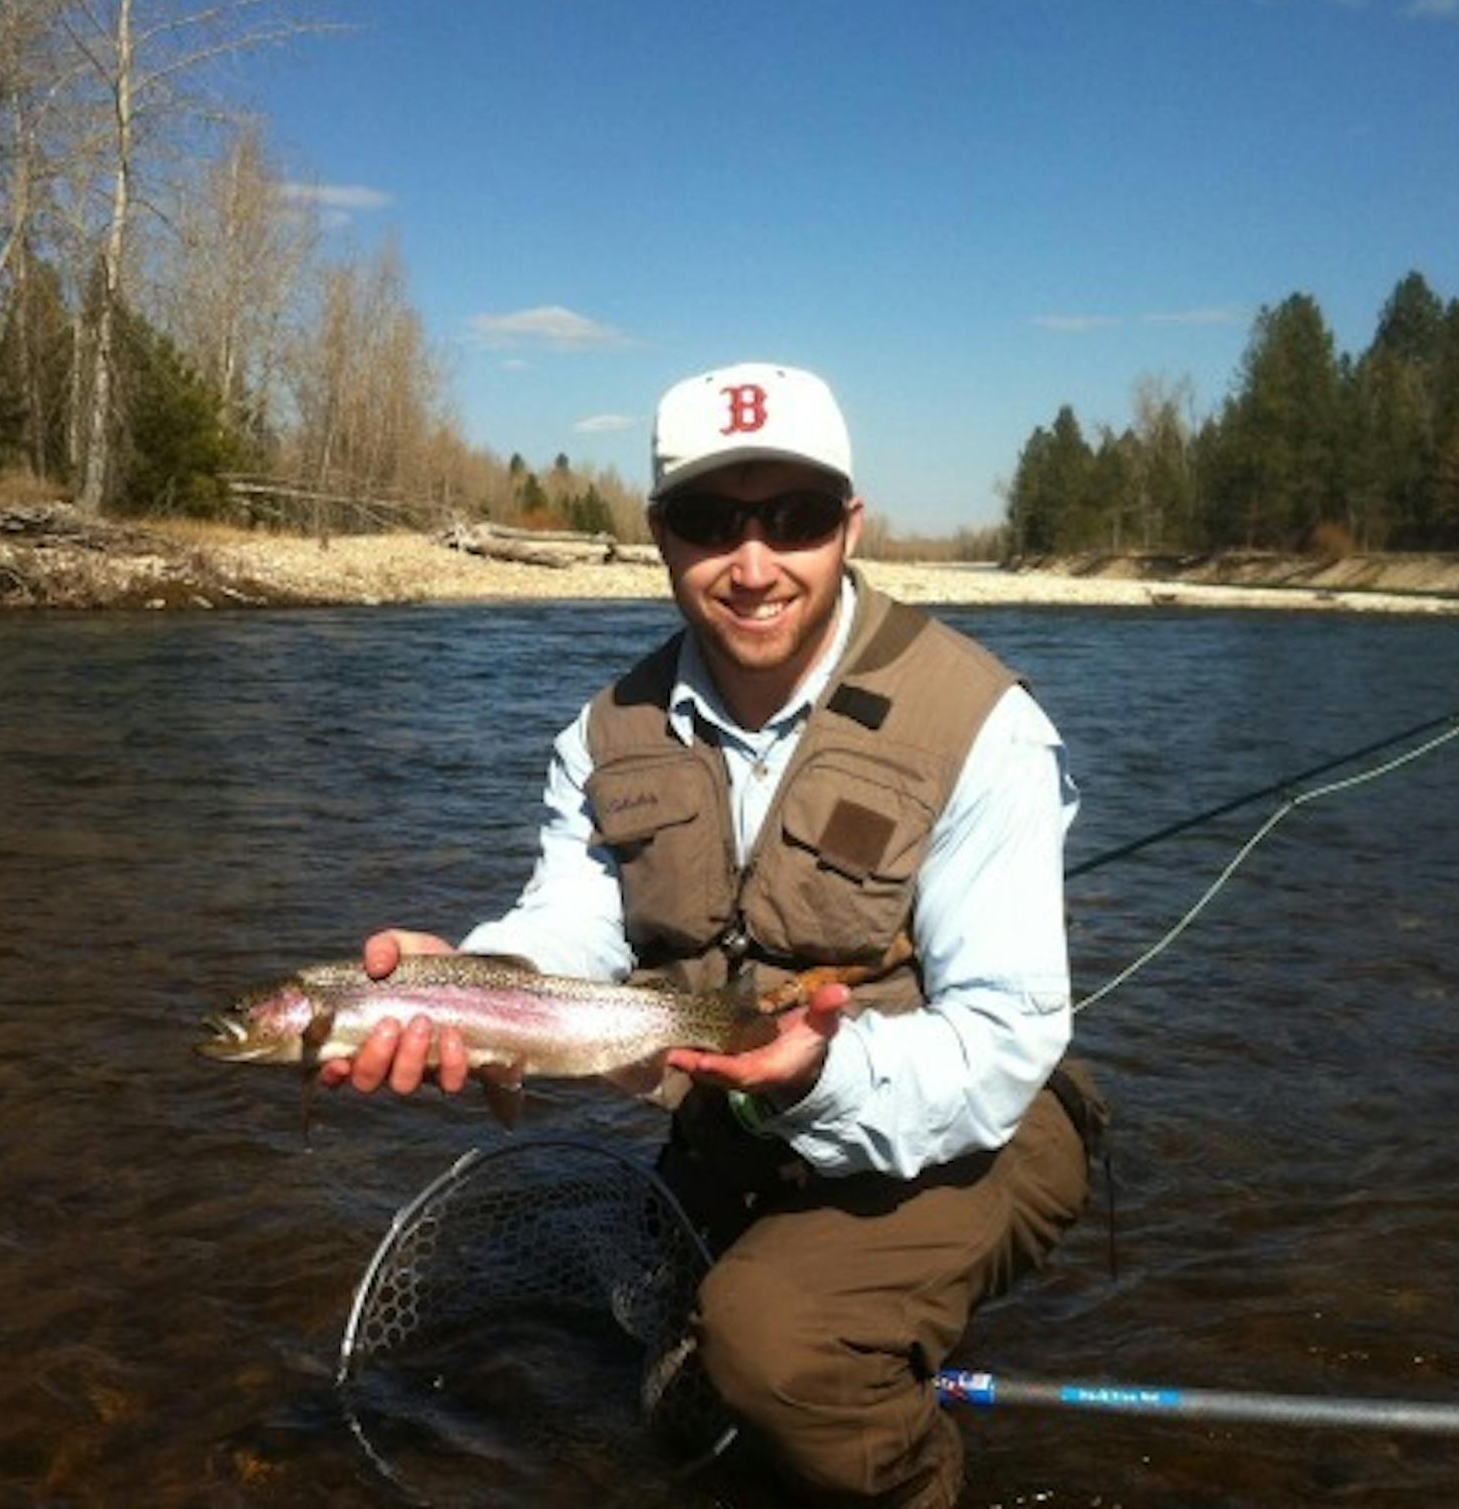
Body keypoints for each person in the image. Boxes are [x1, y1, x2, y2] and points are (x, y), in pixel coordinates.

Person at [323, 362, 1102, 1508]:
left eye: (790, 518)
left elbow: (1002, 1037)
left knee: (770, 1343)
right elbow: (567, 925)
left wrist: (822, 1069)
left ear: (849, 524)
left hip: (978, 1123)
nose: (751, 564)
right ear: (659, 535)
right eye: (708, 519)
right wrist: (470, 987)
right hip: (736, 1122)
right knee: (686, 1409)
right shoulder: (602, 735)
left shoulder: (982, 727)